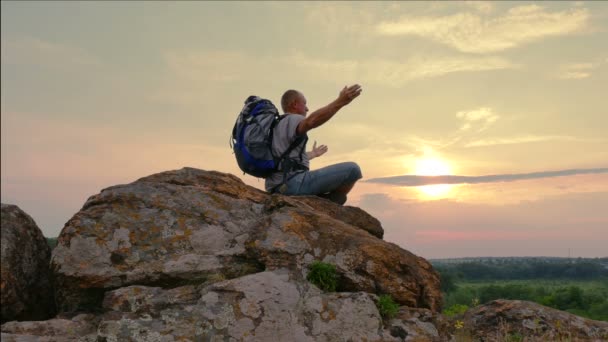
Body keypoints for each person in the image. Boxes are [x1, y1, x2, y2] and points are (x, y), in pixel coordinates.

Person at [265, 85, 363, 205]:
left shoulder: (277, 125)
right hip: (292, 184)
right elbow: (311, 121)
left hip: (276, 186)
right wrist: (340, 101)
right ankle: (330, 203)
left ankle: (322, 200)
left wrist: (313, 154)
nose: (307, 108)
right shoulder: (294, 119)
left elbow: (284, 158)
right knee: (353, 169)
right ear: (295, 104)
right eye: (304, 104)